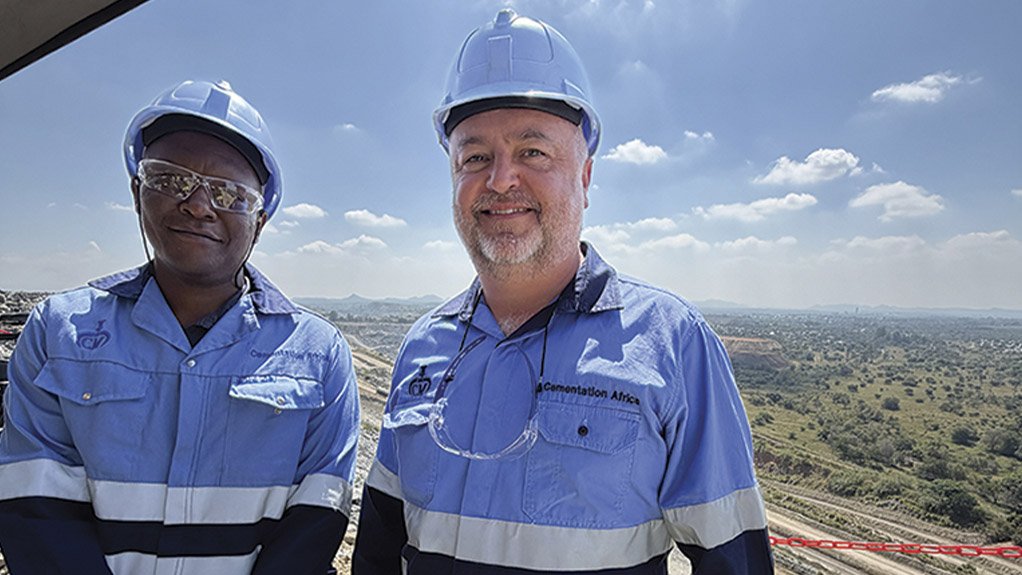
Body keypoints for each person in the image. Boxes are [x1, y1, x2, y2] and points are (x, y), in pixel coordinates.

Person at [352, 9, 773, 575]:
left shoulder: (673, 344)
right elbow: (380, 549)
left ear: (585, 177)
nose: (501, 179)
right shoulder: (424, 346)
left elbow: (735, 561)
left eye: (533, 152)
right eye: (475, 157)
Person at [0, 80, 360, 574]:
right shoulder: (58, 334)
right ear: (136, 192)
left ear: (260, 220)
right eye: (171, 180)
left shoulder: (318, 355)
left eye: (228, 193)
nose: (198, 203)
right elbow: (34, 508)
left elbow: (313, 526)